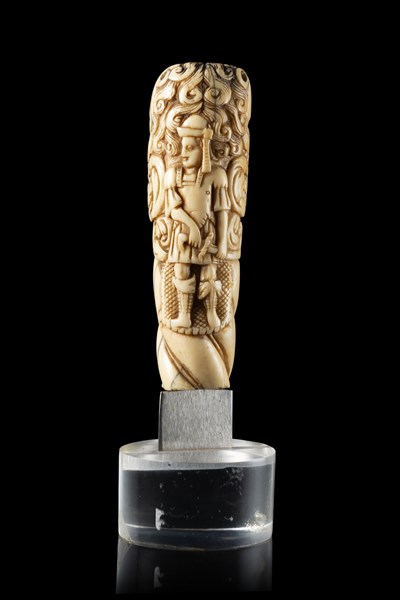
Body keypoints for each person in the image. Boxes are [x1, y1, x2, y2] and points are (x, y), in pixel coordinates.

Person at [164, 115, 230, 330]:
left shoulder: (217, 175)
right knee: (181, 270)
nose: (184, 153)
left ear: (204, 148)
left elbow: (221, 211)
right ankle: (184, 315)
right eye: (183, 147)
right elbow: (173, 209)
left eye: (190, 148)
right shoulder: (173, 175)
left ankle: (211, 312)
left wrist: (222, 242)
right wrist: (191, 227)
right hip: (183, 232)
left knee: (209, 271)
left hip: (207, 232)